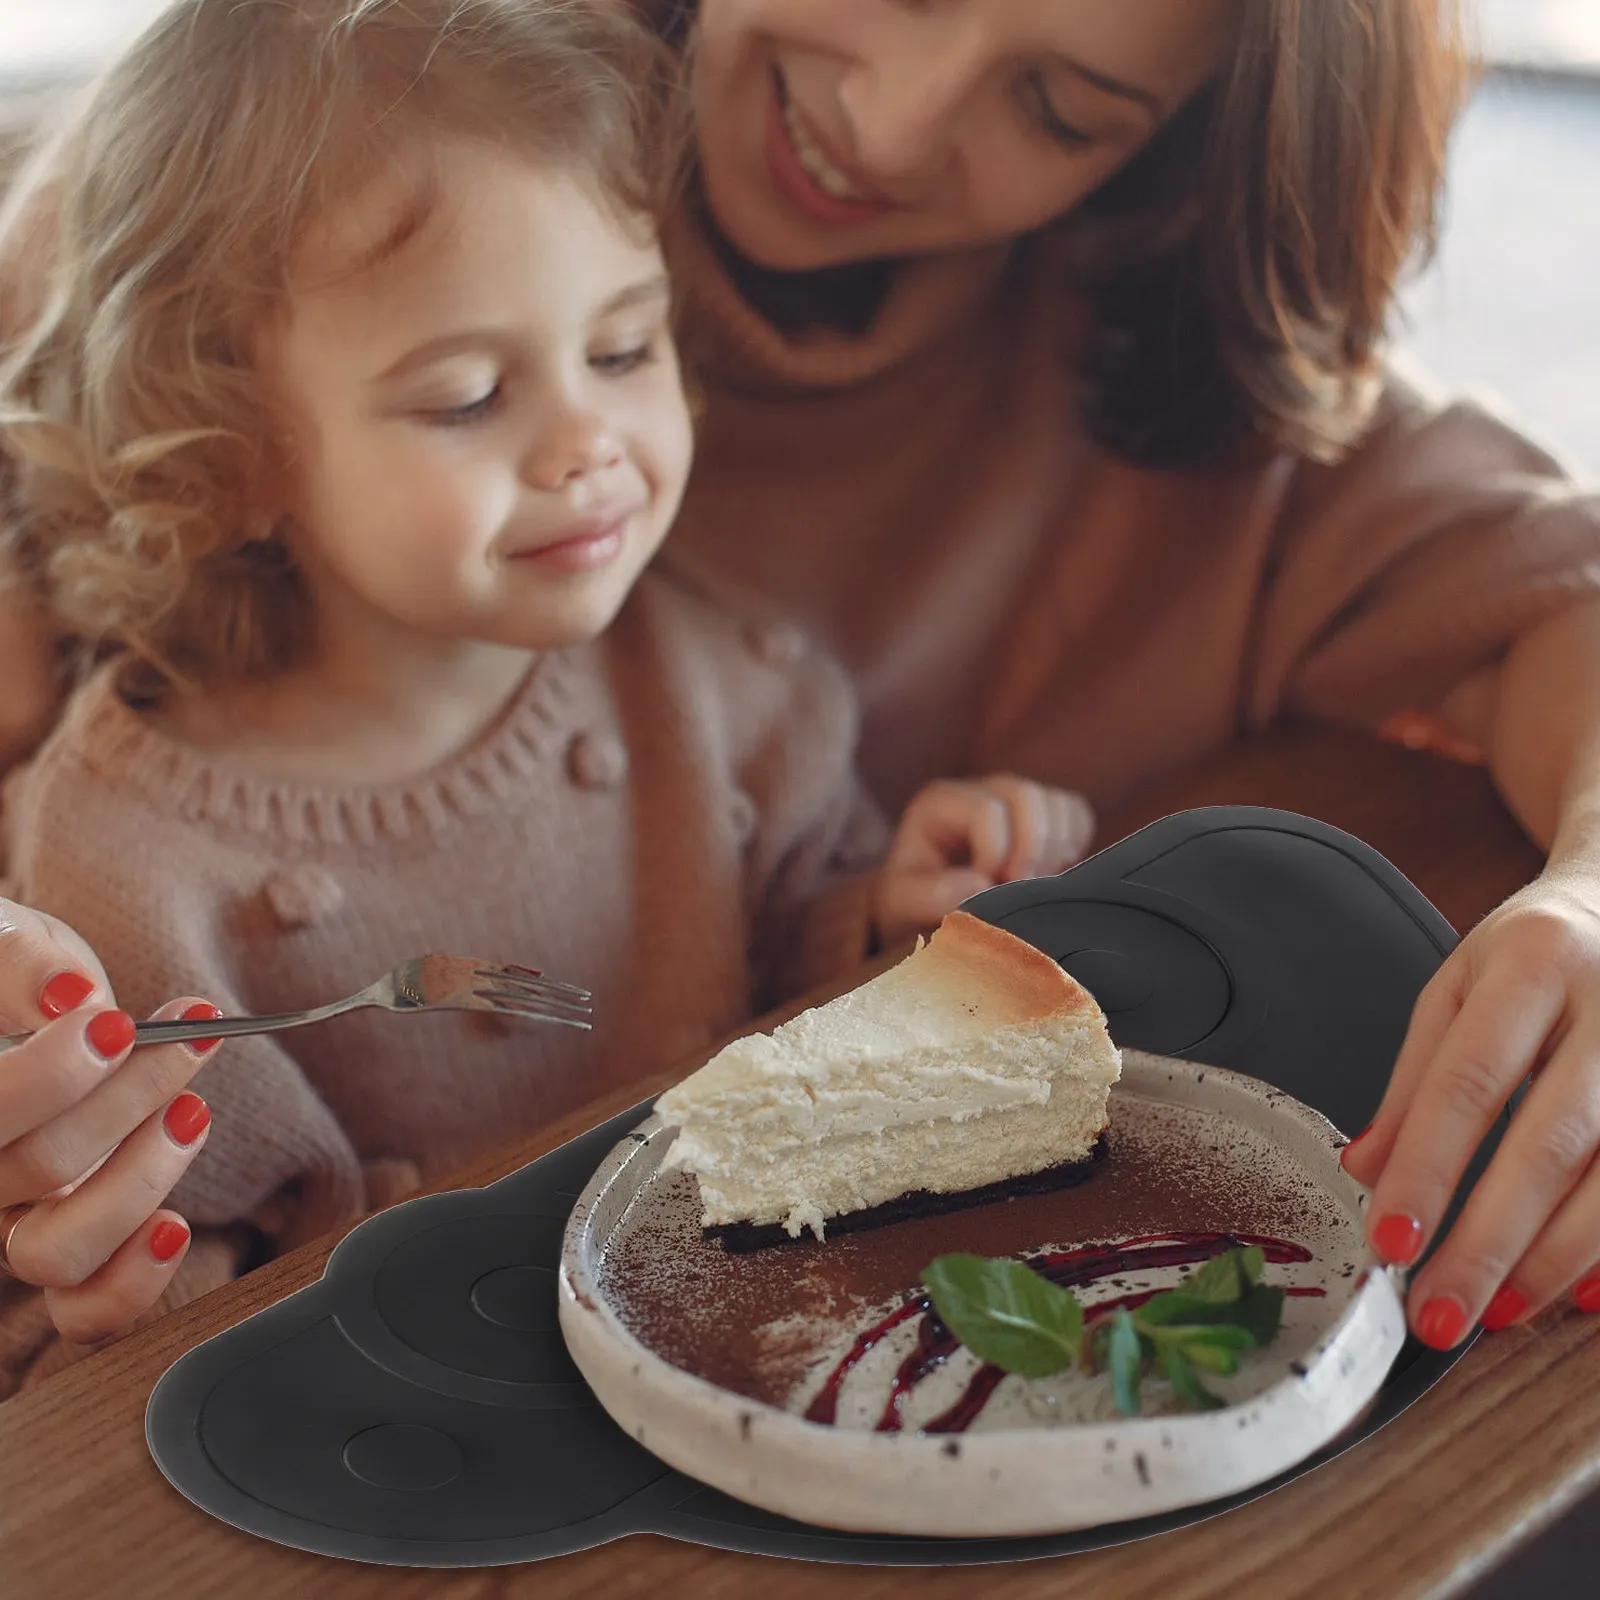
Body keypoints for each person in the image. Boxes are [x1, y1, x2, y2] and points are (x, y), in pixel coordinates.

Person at [1, 0, 1597, 1370]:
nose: (890, 125)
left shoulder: (1187, 373)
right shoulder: (297, 127)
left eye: (1058, 105)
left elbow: (1550, 591)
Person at [0, 0, 1094, 1396]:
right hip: (411, 1446)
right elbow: (106, 1305)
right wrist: (142, 1293)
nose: (588, 444)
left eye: (626, 351)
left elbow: (820, 970)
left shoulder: (707, 678)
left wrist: (897, 909)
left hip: (763, 1365)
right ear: (231, 454)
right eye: (465, 397)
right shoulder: (124, 855)